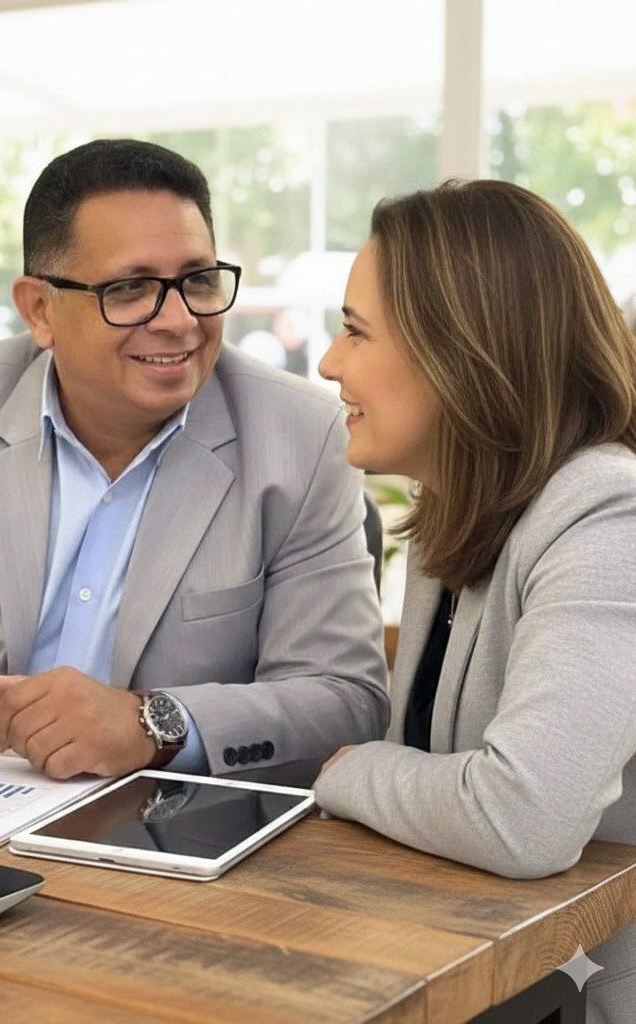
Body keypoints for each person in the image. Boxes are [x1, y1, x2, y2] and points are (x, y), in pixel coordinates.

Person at [0, 138, 388, 781]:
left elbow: (344, 698)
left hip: (178, 817)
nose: (179, 320)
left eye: (199, 281)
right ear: (40, 310)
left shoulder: (299, 435)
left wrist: (153, 724)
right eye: (131, 289)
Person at [313, 179, 636, 1024]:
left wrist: (352, 771)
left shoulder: (610, 512)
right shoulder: (455, 510)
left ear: (458, 350)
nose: (329, 363)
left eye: (355, 331)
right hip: (472, 968)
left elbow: (522, 818)